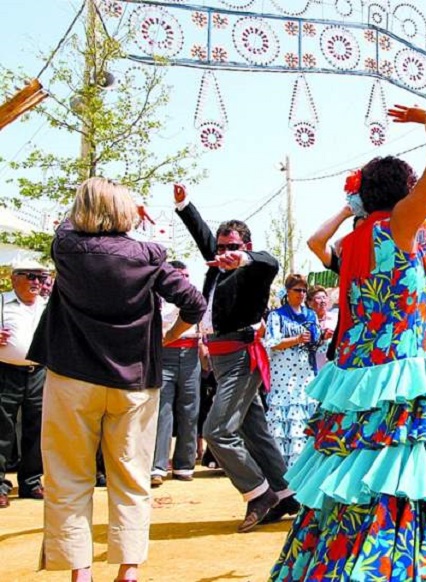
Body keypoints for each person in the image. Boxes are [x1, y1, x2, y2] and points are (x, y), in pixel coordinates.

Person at [270, 105, 426, 581]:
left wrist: (348, 205)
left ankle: (341, 556)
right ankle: (397, 560)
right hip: (397, 368)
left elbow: (317, 242)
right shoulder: (398, 226)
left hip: (352, 376)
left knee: (351, 465)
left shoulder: (355, 242)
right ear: (401, 190)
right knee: (403, 464)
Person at [28, 177, 206, 582]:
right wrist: (169, 336)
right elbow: (194, 303)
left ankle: (81, 572)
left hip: (72, 376)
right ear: (125, 212)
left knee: (69, 476)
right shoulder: (149, 254)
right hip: (134, 382)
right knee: (131, 476)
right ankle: (128, 569)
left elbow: (66, 226)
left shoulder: (67, 249)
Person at [174, 184, 292, 532]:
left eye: (233, 248)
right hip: (223, 360)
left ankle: (258, 493)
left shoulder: (253, 269)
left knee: (217, 431)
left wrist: (244, 260)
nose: (224, 252)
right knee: (254, 431)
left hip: (242, 357)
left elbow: (271, 261)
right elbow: (204, 238)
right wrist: (184, 205)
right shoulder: (217, 265)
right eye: (221, 247)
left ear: (246, 247)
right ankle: (285, 493)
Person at [0, 258, 49, 508]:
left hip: (39, 372)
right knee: (2, 429)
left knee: (37, 428)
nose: (36, 282)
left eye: (41, 277)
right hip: (5, 372)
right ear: (14, 278)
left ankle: (31, 482)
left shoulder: (49, 305)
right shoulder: (1, 302)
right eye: (30, 276)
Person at [151, 260, 202, 488]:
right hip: (164, 353)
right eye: (179, 274)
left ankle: (184, 465)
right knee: (163, 409)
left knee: (190, 408)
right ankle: (158, 466)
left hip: (190, 353)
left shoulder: (195, 296)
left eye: (186, 274)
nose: (183, 278)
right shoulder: (157, 299)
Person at [263, 274, 320, 468]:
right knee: (284, 417)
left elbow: (317, 345)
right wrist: (295, 340)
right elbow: (271, 343)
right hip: (283, 375)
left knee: (305, 415)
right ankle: (282, 468)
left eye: (304, 291)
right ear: (287, 292)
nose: (302, 294)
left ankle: (305, 465)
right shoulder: (277, 316)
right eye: (297, 290)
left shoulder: (311, 315)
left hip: (305, 373)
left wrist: (322, 338)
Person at [306, 285, 337, 370]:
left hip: (333, 364)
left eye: (324, 297)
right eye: (319, 298)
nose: (323, 301)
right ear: (309, 302)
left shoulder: (336, 318)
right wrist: (322, 338)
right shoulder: (306, 321)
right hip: (313, 365)